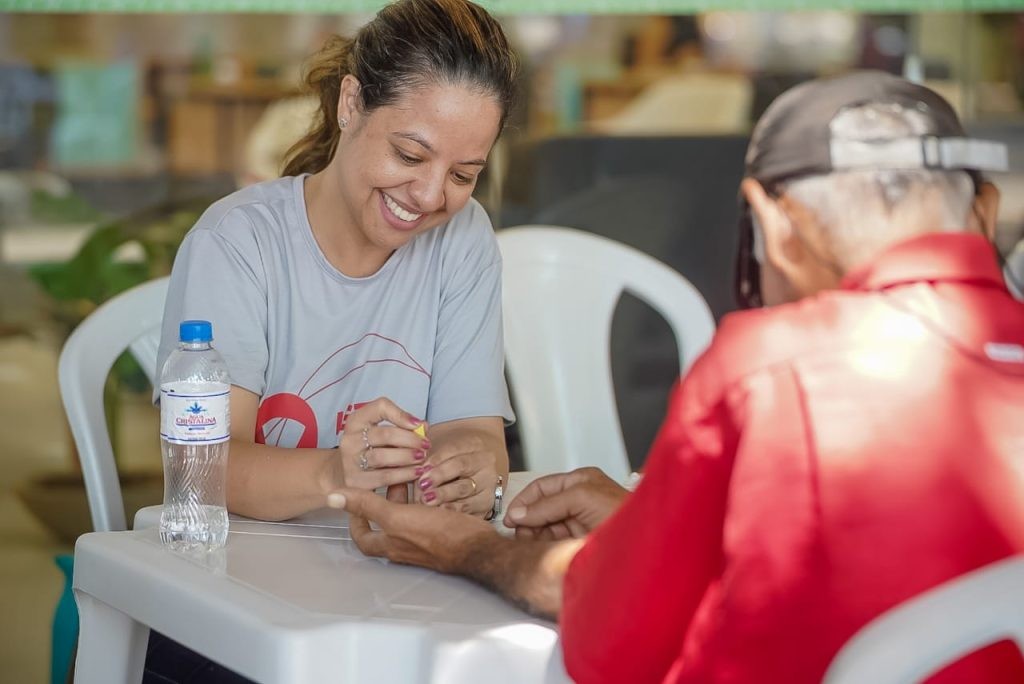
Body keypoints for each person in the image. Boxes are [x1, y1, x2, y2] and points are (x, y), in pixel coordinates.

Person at [328, 71, 1024, 683]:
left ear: (774, 225)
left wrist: (465, 548)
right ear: (985, 211)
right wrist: (641, 523)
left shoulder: (768, 370)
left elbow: (607, 648)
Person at [156, 0, 518, 524]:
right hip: (246, 574)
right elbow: (199, 464)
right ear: (351, 102)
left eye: (463, 175)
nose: (430, 194)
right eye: (410, 156)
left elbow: (477, 437)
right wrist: (334, 474)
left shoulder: (462, 238)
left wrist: (472, 473)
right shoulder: (238, 242)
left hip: (396, 573)